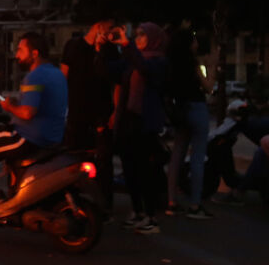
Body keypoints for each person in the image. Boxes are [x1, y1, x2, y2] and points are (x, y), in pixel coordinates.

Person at [0, 32, 67, 207]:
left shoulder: (34, 76)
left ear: (34, 53)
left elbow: (27, 113)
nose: (16, 54)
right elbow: (44, 104)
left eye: (20, 50)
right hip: (53, 136)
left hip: (29, 137)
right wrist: (17, 103)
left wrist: (9, 107)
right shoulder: (56, 74)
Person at [108, 23, 168, 234]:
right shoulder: (132, 58)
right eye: (138, 34)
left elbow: (144, 68)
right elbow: (110, 70)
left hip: (145, 122)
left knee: (145, 170)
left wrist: (127, 45)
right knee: (130, 168)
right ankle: (138, 211)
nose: (139, 38)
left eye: (143, 35)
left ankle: (151, 216)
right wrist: (102, 47)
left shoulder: (158, 61)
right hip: (129, 120)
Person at [59, 19, 121, 207]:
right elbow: (64, 75)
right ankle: (73, 201)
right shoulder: (74, 46)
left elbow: (116, 82)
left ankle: (104, 203)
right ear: (98, 26)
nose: (111, 33)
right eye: (109, 28)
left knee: (103, 161)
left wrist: (115, 112)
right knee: (74, 157)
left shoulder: (110, 50)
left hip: (102, 112)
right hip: (77, 112)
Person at [164, 29, 217, 219]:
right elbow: (209, 87)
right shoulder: (193, 64)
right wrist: (209, 67)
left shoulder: (172, 65)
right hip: (197, 109)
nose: (196, 42)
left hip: (180, 111)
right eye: (193, 40)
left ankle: (171, 201)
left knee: (177, 156)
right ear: (188, 44)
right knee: (197, 157)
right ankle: (195, 204)